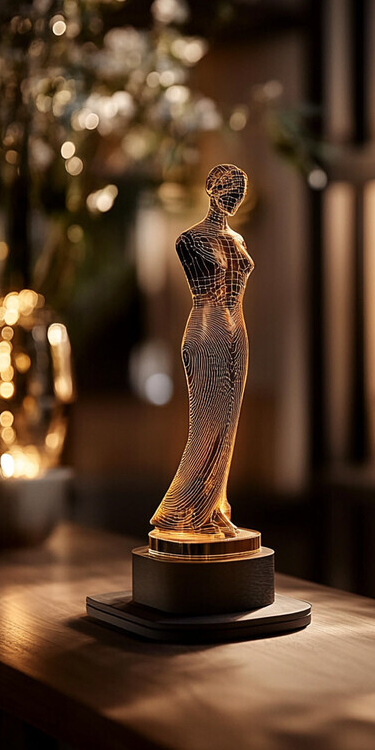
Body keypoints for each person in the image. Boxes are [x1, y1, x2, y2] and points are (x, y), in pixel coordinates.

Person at [150, 164, 253, 540]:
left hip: (236, 331)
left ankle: (213, 507)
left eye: (239, 190)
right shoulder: (189, 239)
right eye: (230, 188)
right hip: (206, 328)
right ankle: (179, 511)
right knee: (206, 425)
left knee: (228, 426)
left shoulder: (238, 240)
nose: (235, 196)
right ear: (212, 188)